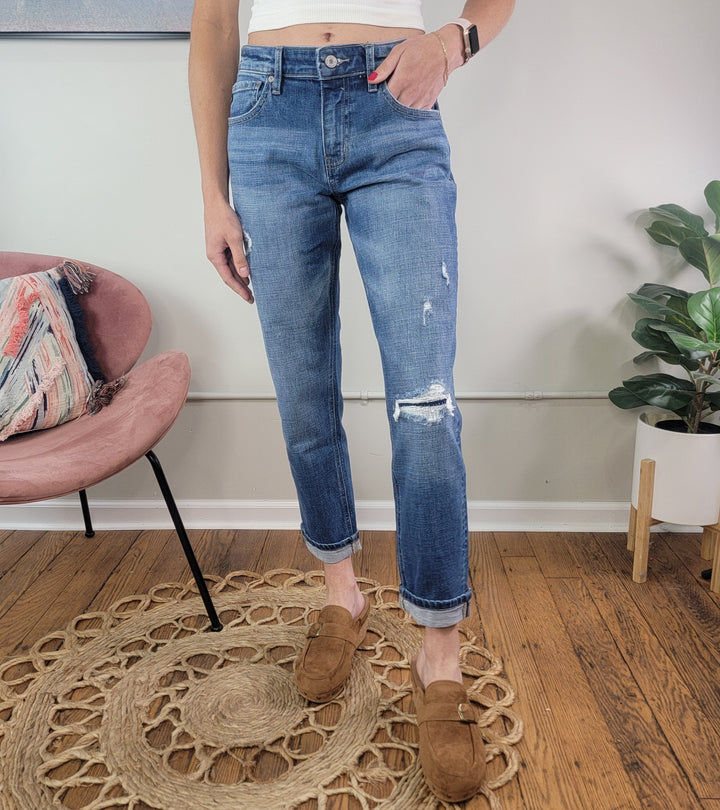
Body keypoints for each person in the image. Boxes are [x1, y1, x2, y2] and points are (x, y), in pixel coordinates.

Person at [189, 1, 515, 801]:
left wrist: (454, 41)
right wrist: (211, 194)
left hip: (392, 108)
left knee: (425, 404)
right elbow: (214, 28)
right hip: (268, 118)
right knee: (302, 387)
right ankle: (342, 594)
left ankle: (440, 654)